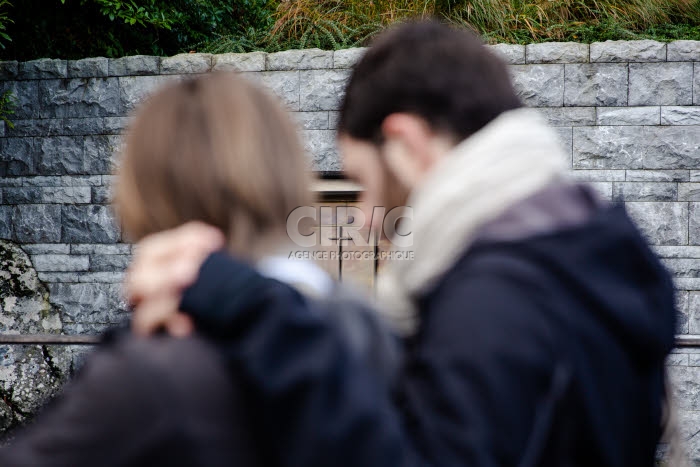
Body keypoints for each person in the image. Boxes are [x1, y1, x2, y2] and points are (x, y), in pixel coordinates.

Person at [128, 20, 680, 466]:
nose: (366, 220)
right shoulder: (588, 247)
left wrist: (255, 310)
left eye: (364, 184)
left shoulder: (498, 298)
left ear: (405, 143)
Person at [0, 73, 405, 466]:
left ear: (145, 188)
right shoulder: (362, 326)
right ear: (287, 170)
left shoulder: (149, 375)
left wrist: (123, 346)